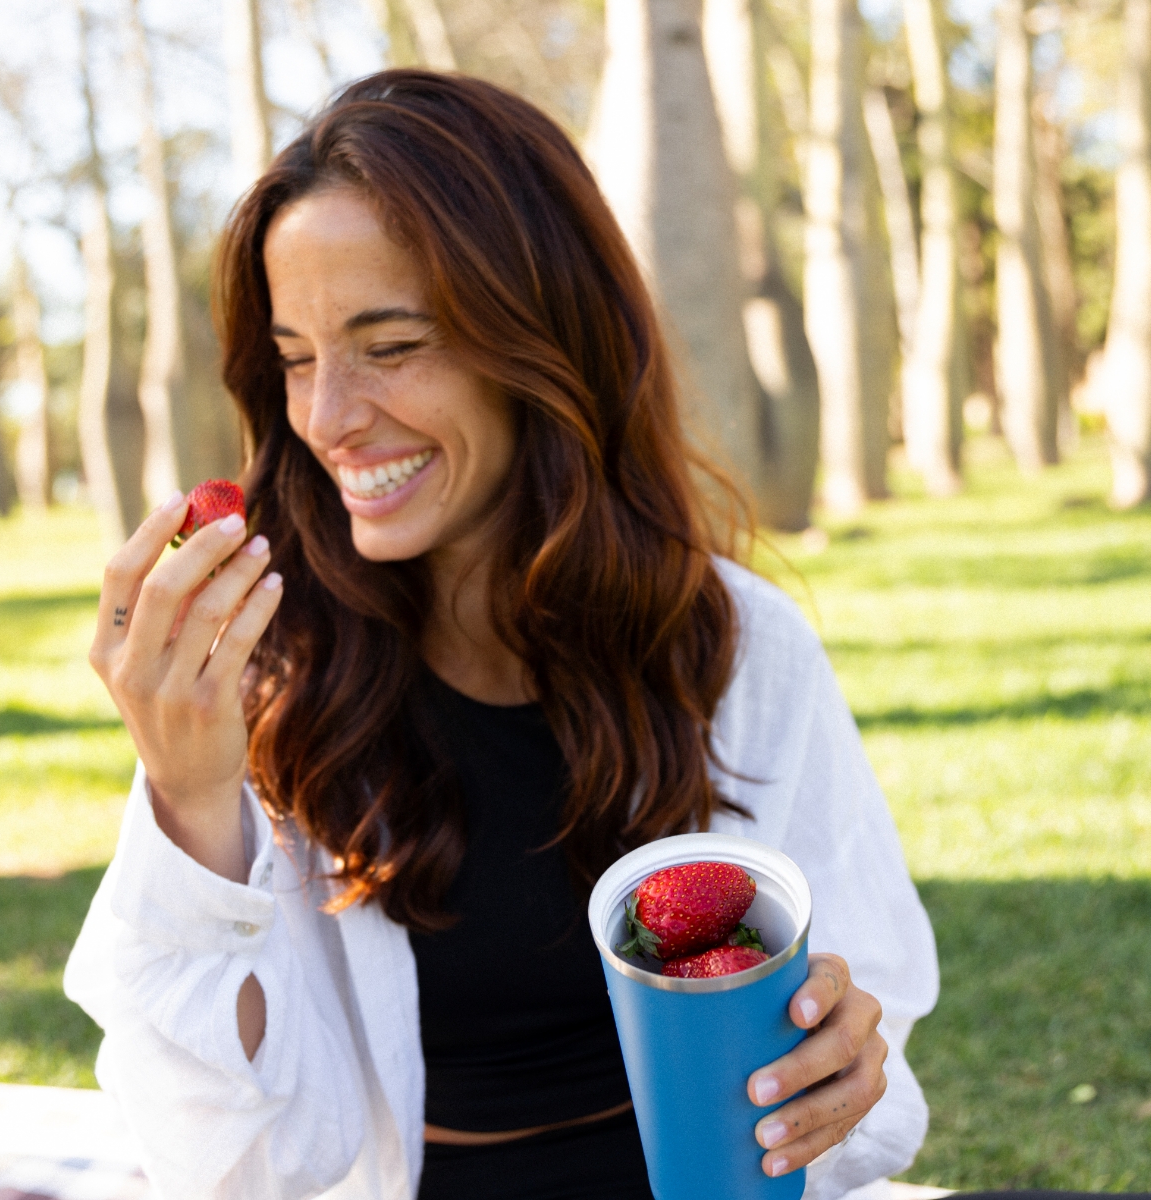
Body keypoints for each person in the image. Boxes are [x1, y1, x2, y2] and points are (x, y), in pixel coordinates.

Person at [64, 69, 938, 1200]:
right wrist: (188, 805)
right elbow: (227, 1164)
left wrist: (842, 1065)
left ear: (543, 338)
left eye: (390, 345)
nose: (327, 418)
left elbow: (872, 1044)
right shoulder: (263, 674)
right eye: (294, 358)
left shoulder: (735, 643)